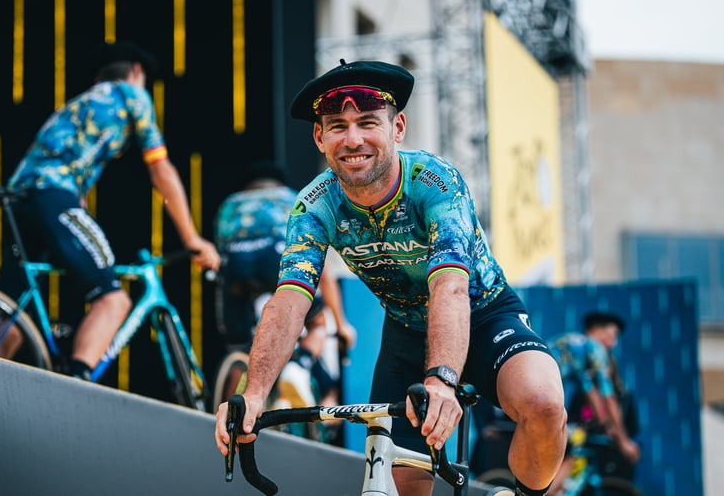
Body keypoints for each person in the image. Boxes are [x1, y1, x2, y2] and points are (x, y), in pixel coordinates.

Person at [214, 59, 566, 496]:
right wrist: (253, 392)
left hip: (485, 315)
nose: (353, 139)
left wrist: (442, 381)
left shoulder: (434, 182)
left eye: (367, 122)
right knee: (402, 487)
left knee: (545, 405)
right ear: (319, 137)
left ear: (398, 127)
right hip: (406, 335)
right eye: (337, 126)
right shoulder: (314, 205)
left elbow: (450, 285)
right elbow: (289, 301)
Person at [0, 40, 220, 379]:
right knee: (113, 300)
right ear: (137, 72)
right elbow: (160, 169)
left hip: (19, 201)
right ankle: (76, 386)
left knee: (11, 310)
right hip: (53, 197)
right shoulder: (131, 94)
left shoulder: (75, 105)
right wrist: (192, 238)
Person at [212, 161, 356, 409]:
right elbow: (322, 272)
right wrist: (341, 324)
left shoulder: (229, 205)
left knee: (242, 351)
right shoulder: (294, 199)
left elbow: (218, 257)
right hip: (275, 259)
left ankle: (229, 415)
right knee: (318, 324)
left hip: (235, 266)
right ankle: (298, 369)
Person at [548, 311, 641, 492]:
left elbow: (592, 395)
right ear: (597, 330)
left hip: (536, 400)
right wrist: (623, 441)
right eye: (612, 336)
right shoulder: (594, 348)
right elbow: (608, 398)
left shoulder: (576, 345)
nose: (613, 343)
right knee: (570, 455)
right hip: (544, 404)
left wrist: (607, 425)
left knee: (565, 455)